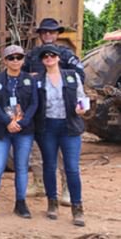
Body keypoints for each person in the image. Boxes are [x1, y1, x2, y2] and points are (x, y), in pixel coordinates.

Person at [23, 18, 84, 204]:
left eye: (51, 32)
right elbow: (22, 78)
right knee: (38, 153)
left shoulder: (65, 54)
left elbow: (80, 75)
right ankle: (39, 183)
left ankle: (66, 188)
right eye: (44, 32)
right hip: (40, 113)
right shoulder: (33, 55)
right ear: (40, 35)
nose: (48, 35)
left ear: (57, 34)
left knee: (66, 157)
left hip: (65, 115)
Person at [0, 45, 38, 221]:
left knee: (21, 167)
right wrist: (7, 121)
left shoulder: (29, 80)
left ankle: (21, 203)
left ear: (23, 60)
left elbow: (34, 103)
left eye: (19, 57)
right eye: (11, 58)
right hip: (1, 130)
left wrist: (22, 122)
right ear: (5, 61)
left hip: (24, 130)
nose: (15, 61)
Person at [35, 44, 88, 227]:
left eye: (52, 55)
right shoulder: (38, 80)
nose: (49, 58)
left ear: (58, 58)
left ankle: (77, 207)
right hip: (47, 127)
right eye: (45, 56)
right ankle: (52, 203)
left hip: (70, 126)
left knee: (72, 167)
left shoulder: (72, 76)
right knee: (49, 166)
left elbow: (82, 97)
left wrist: (82, 108)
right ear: (42, 61)